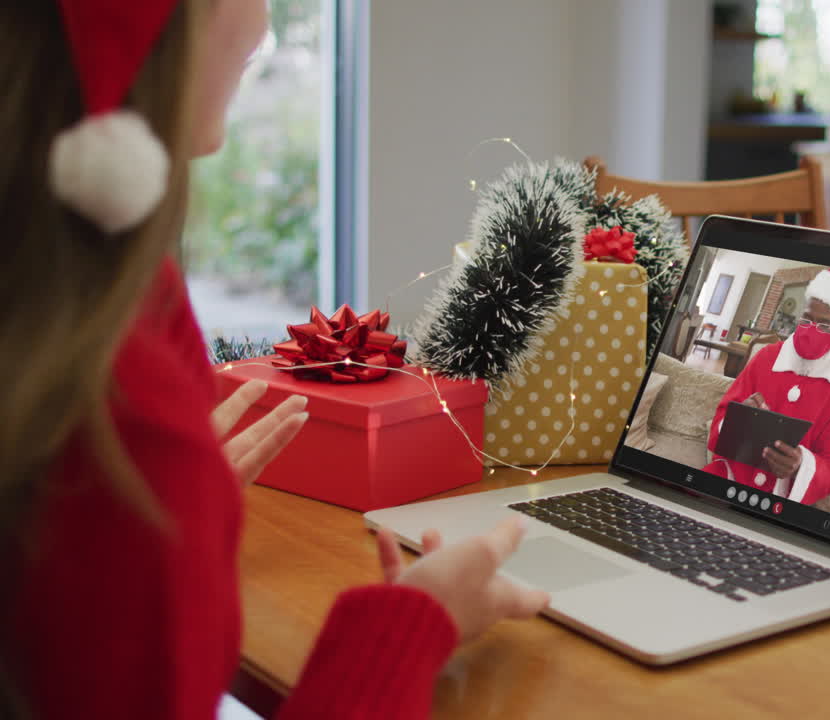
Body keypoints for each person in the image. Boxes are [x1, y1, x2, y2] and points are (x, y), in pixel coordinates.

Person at [0, 2, 548, 718]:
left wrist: (183, 518)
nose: (263, 26)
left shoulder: (86, 327)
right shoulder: (118, 415)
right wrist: (415, 621)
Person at [701, 268, 830, 505]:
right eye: (807, 319)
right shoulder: (766, 357)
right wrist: (739, 418)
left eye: (824, 325)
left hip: (780, 504)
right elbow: (720, 421)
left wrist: (801, 464)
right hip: (725, 480)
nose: (811, 331)